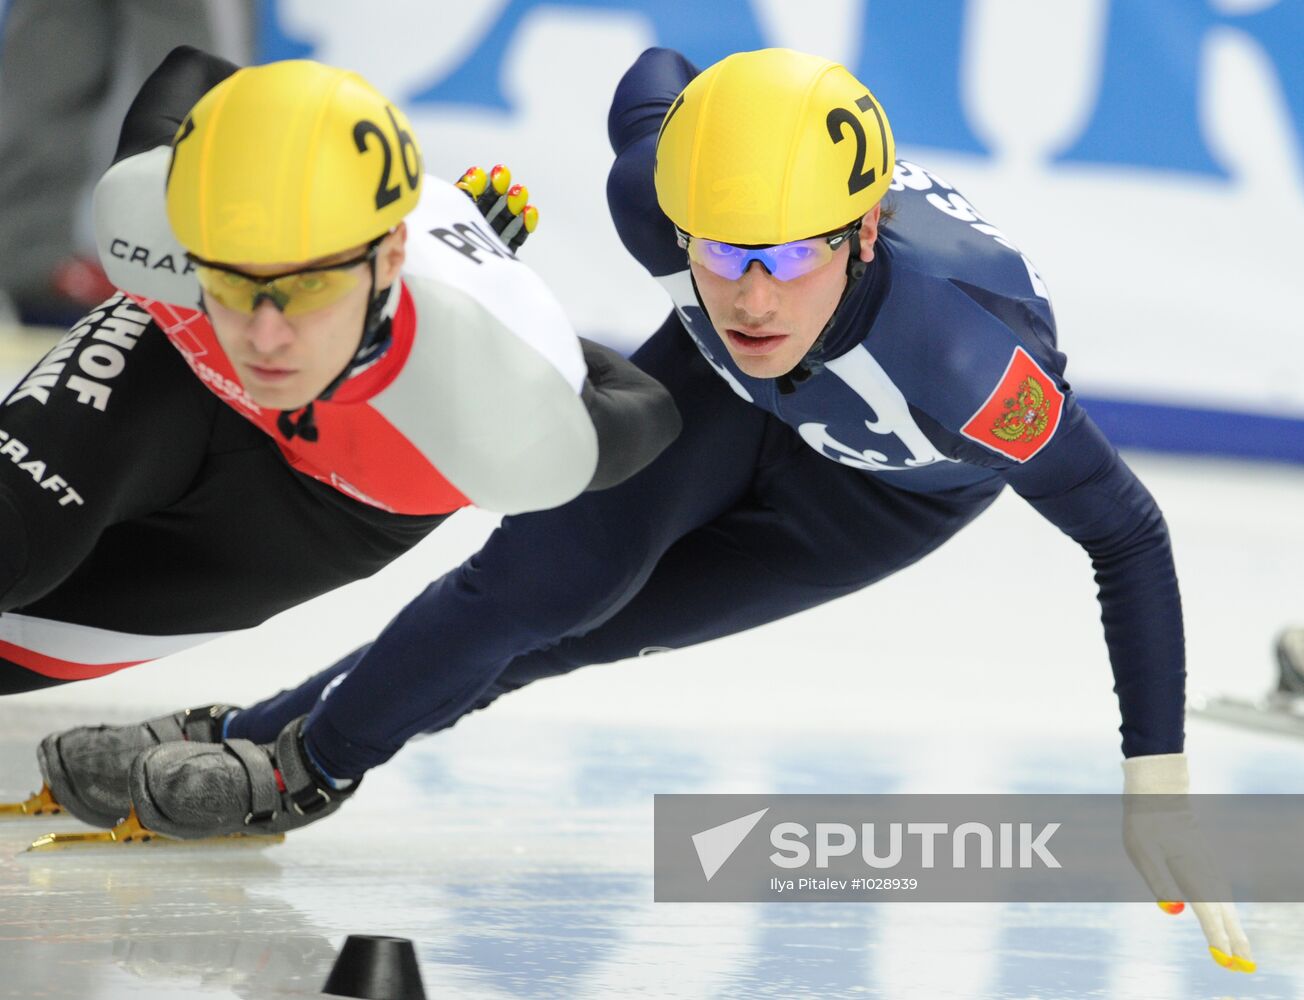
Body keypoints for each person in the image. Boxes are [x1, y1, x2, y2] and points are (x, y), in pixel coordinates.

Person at [25, 47, 1251, 972]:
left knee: (570, 636)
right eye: (720, 253)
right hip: (721, 400)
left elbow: (1124, 531)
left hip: (878, 498)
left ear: (864, 233)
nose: (750, 297)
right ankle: (273, 748)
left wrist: (1154, 771)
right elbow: (656, 79)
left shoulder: (969, 371)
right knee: (531, 584)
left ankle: (286, 752)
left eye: (788, 258)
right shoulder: (657, 200)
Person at [0, 47, 677, 812]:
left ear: (390, 260)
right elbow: (193, 67)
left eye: (309, 287)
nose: (265, 336)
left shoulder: (498, 411)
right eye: (231, 280)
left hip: (327, 506)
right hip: (178, 371)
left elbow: (653, 408)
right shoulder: (149, 219)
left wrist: (518, 330)